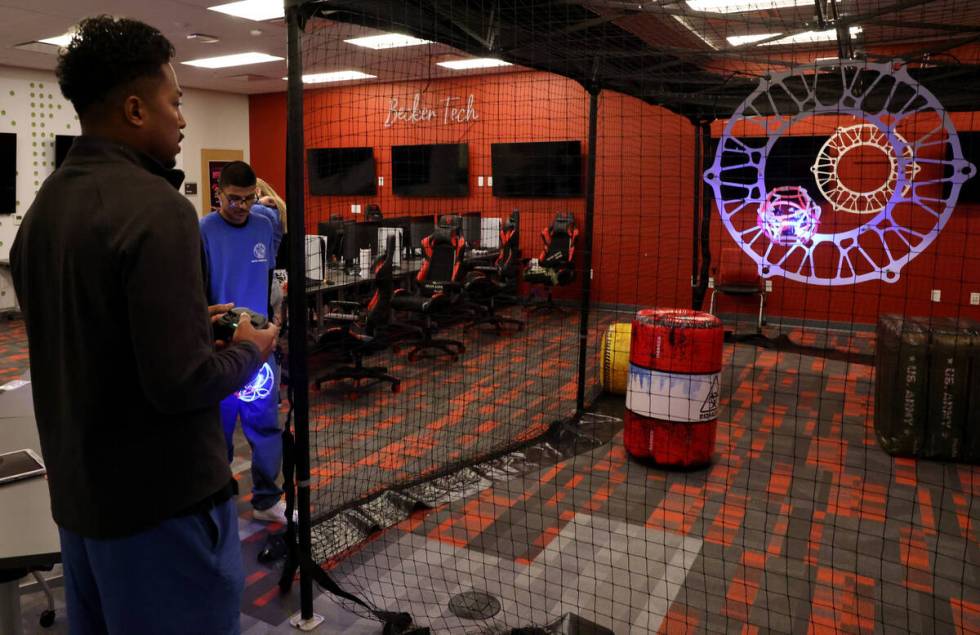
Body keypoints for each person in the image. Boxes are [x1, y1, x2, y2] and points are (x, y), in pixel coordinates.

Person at [10, 15, 279, 634]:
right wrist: (252, 349)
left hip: (83, 506)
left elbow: (95, 334)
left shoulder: (46, 207)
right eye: (175, 102)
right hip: (163, 510)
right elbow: (179, 382)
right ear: (135, 109)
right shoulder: (158, 208)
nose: (183, 119)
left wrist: (191, 320)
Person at [200, 161, 290, 524]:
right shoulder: (203, 229)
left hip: (260, 346)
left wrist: (275, 320)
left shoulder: (264, 223)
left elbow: (270, 272)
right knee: (216, 432)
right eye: (234, 199)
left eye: (249, 199)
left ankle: (267, 499)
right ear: (219, 194)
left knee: (265, 425)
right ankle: (216, 503)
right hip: (220, 348)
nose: (241, 206)